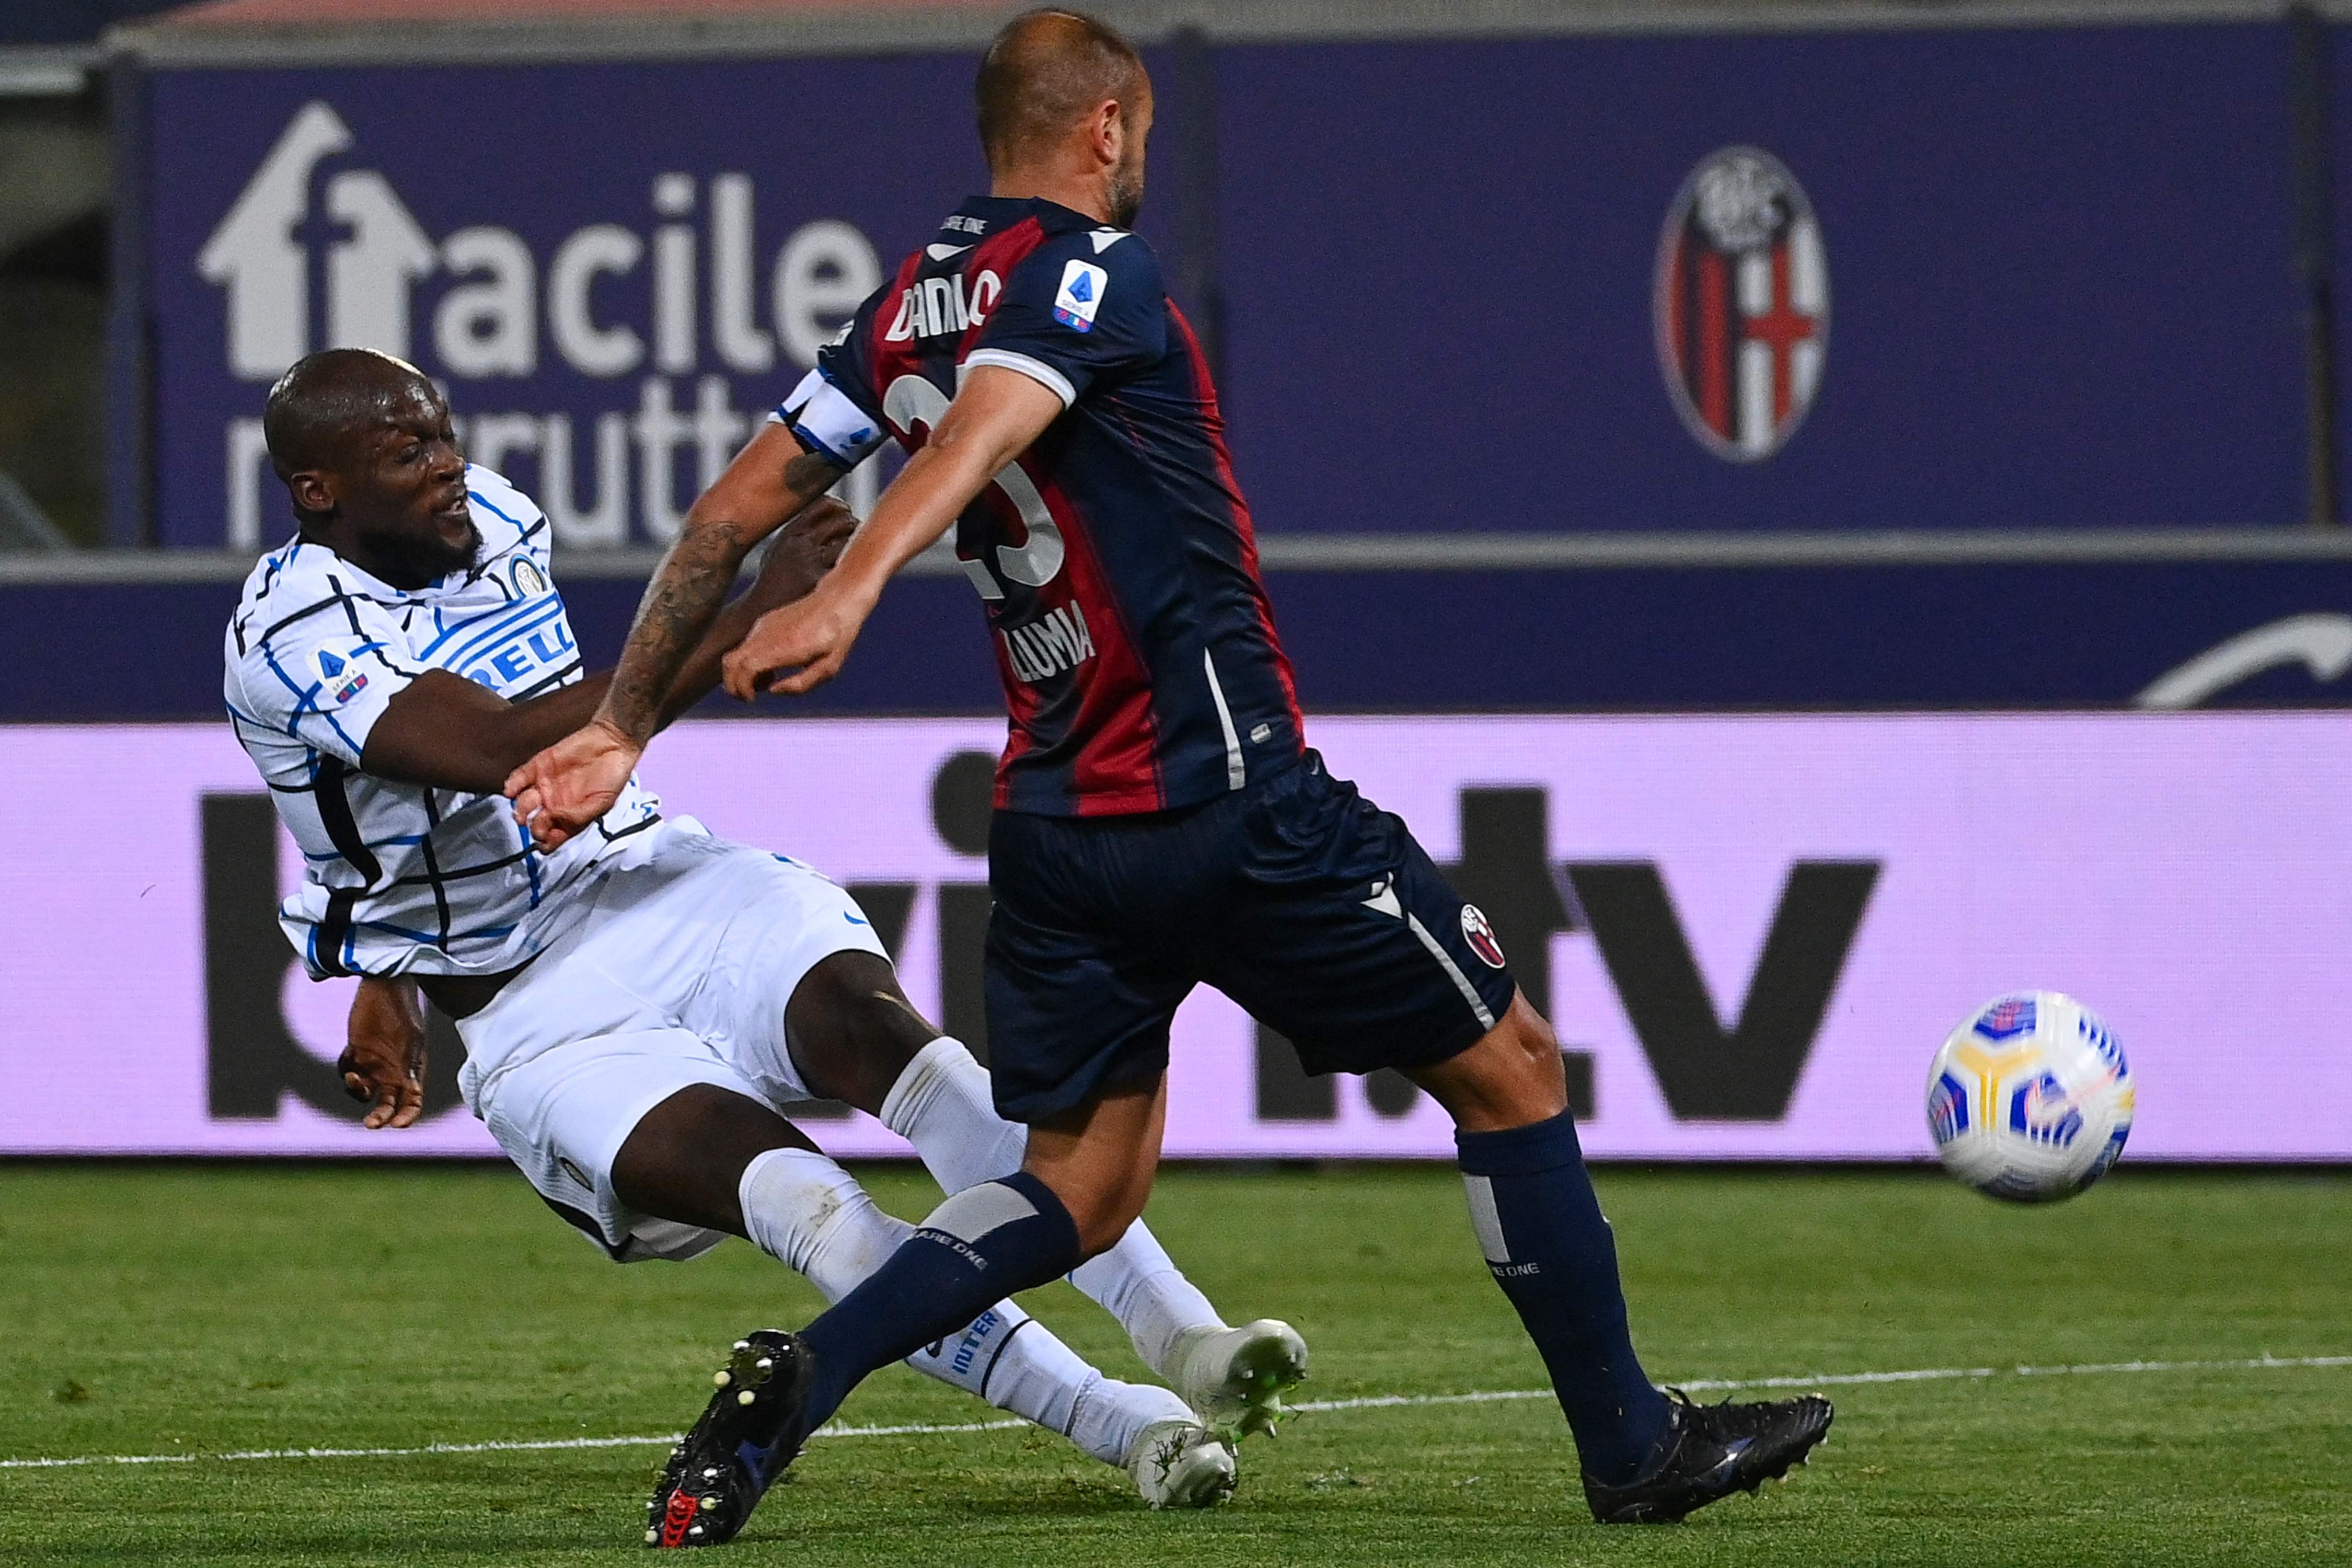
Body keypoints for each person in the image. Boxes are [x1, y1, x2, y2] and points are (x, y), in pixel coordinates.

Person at [506, 8, 1831, 1547]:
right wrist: (861, 582)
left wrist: (622, 724)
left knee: (1077, 1188)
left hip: (1062, 835)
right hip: (1228, 802)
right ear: (1110, 126)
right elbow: (1006, 407)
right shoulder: (1091, 275)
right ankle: (1628, 1445)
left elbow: (729, 509)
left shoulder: (899, 314)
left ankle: (796, 1383)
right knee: (1510, 1063)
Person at [222, 348, 1313, 1535]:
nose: (448, 469)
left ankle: (1187, 1336)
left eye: (442, 435)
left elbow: (435, 813)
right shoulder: (284, 633)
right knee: (810, 1205)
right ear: (318, 491)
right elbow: (495, 752)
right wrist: (753, 611)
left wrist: (388, 962)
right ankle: (1126, 1424)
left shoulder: (491, 516)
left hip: (658, 885)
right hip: (539, 1016)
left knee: (898, 1046)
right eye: (406, 454)